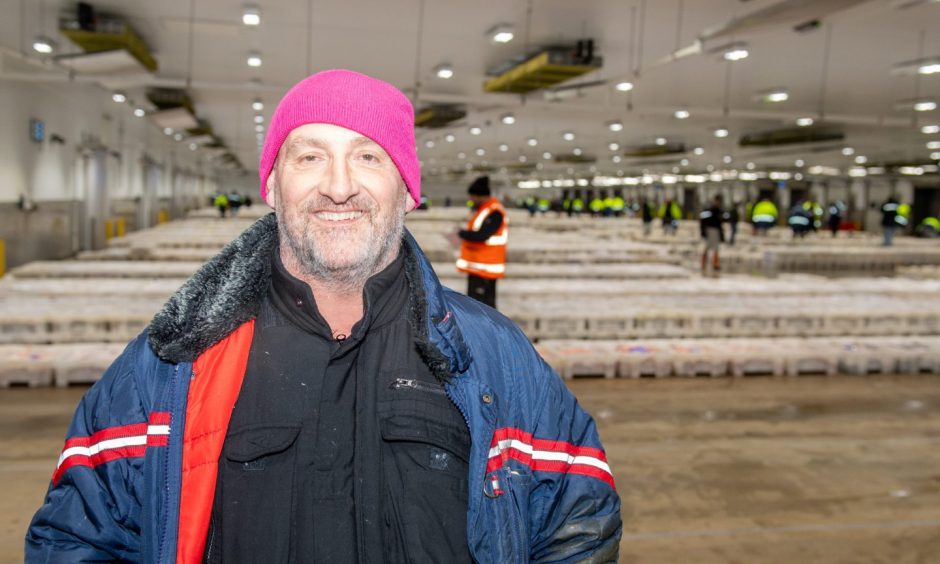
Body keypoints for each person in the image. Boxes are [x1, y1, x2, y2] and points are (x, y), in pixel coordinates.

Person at [26, 70, 621, 562]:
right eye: (309, 156)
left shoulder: (497, 359)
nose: (339, 186)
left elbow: (578, 520)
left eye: (368, 156)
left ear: (407, 189)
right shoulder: (169, 366)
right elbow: (77, 537)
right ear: (271, 185)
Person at [455, 176, 507, 309]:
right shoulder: (484, 210)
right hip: (478, 267)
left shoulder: (494, 211)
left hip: (485, 269)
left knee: (484, 307)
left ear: (480, 196)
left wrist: (462, 233)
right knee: (475, 305)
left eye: (472, 197)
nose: (471, 200)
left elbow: (482, 235)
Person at [699, 195, 725, 275]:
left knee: (716, 249)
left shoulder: (720, 211)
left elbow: (722, 222)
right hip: (709, 230)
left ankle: (715, 264)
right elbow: (702, 220)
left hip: (716, 231)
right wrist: (703, 231)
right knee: (707, 248)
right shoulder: (709, 210)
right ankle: (703, 264)